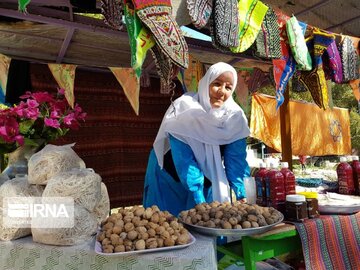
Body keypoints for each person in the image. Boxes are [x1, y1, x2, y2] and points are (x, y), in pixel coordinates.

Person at [143, 62, 251, 216]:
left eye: (228, 87)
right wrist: (199, 200)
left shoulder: (235, 118)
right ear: (206, 84)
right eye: (217, 84)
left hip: (206, 176)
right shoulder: (184, 110)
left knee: (209, 223)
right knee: (167, 228)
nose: (222, 92)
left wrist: (242, 194)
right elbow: (184, 162)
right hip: (169, 177)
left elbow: (236, 161)